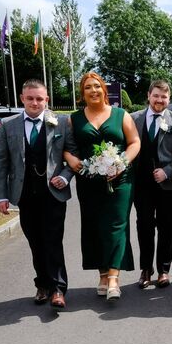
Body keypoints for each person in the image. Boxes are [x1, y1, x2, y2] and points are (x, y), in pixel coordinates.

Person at [0, 79, 77, 309]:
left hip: (53, 194)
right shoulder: (8, 125)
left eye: (39, 99)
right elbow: (1, 163)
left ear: (46, 100)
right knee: (35, 242)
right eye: (30, 98)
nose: (35, 103)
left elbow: (73, 155)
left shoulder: (61, 122)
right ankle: (43, 285)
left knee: (53, 240)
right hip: (25, 194)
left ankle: (58, 289)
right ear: (22, 98)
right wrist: (1, 196)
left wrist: (65, 176)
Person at [64, 72, 140, 301]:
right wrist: (70, 158)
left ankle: (114, 278)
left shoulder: (121, 115)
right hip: (88, 181)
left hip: (120, 180)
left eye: (97, 86)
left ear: (104, 90)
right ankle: (103, 275)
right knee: (94, 226)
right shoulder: (73, 119)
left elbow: (135, 142)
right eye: (88, 87)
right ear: (82, 93)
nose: (93, 90)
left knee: (117, 225)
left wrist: (122, 163)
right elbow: (66, 146)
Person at [131, 80, 172, 289]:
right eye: (156, 95)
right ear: (149, 96)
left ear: (169, 98)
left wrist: (168, 171)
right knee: (144, 227)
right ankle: (146, 269)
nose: (159, 100)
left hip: (170, 185)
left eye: (164, 97)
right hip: (142, 185)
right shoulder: (133, 118)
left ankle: (164, 270)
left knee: (167, 228)